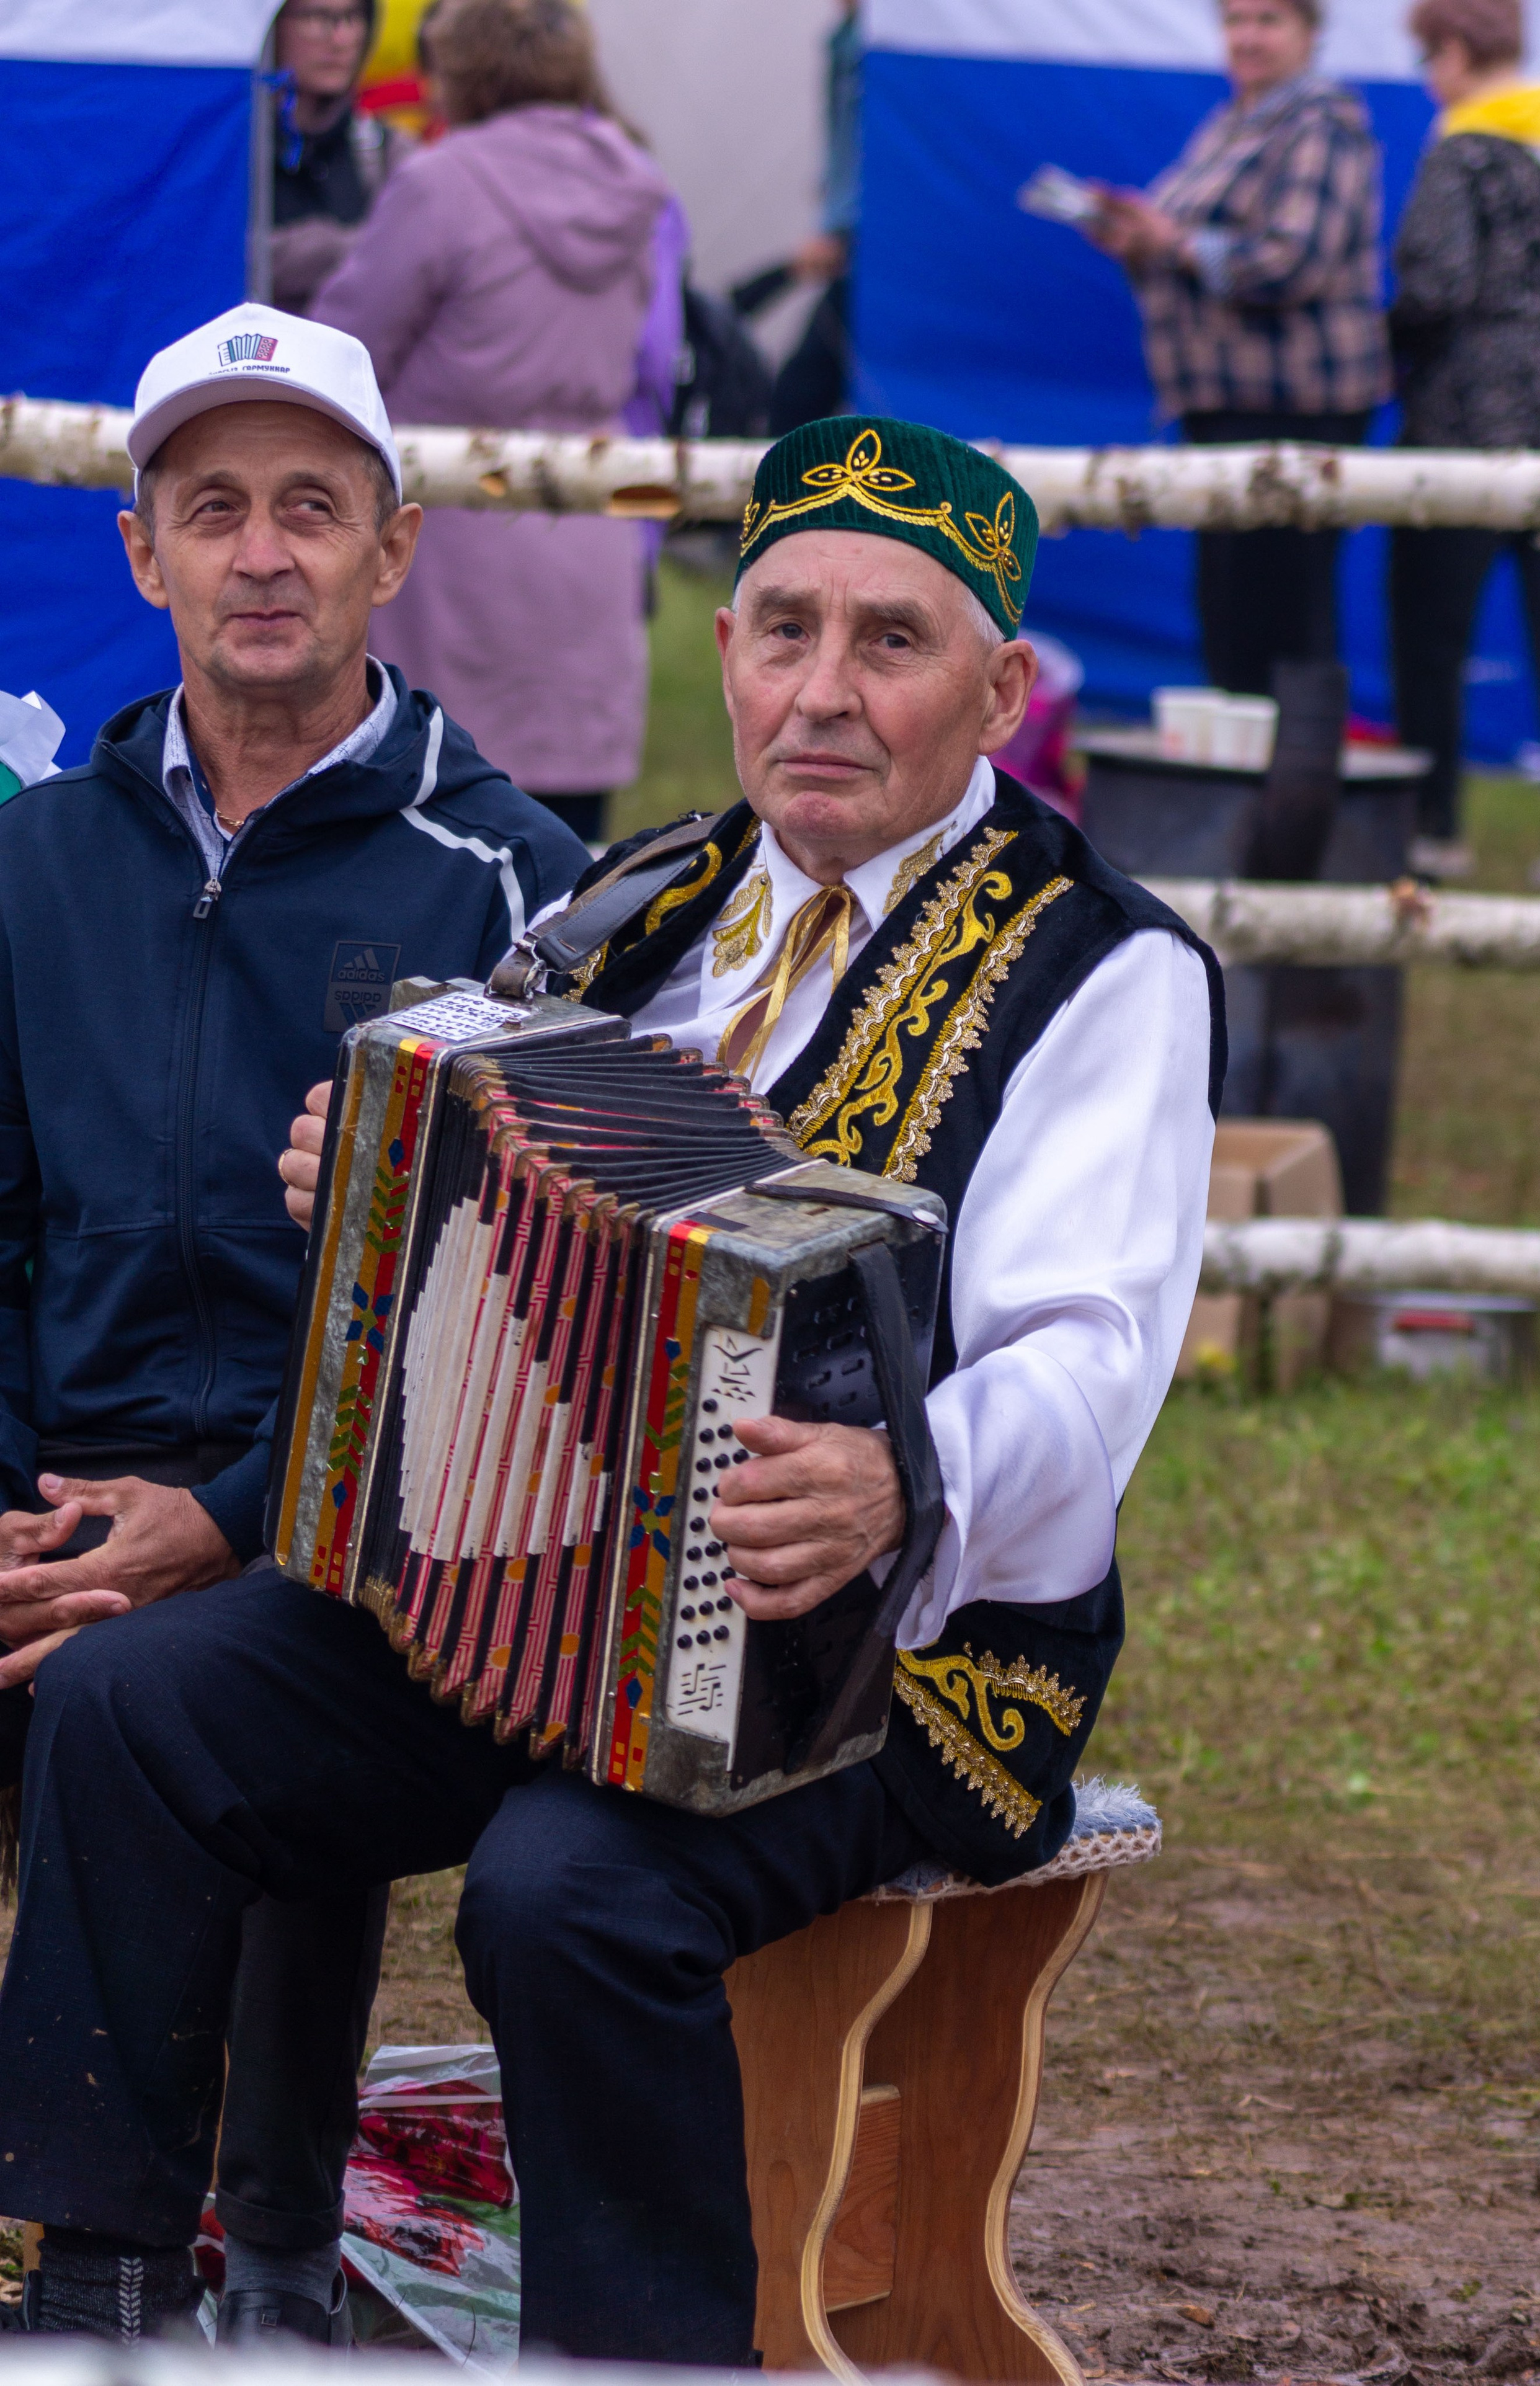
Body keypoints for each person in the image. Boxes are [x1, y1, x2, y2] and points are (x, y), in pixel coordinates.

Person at [1, 413, 1222, 2356]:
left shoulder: (1099, 969)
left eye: (889, 644)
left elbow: (1086, 1366)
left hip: (898, 1665)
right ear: (720, 645)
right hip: (547, 1598)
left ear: (996, 688)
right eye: (786, 631)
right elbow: (484, 1202)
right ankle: (110, 2294)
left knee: (566, 1889)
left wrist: (901, 1477)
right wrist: (369, 1181)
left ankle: (637, 2355)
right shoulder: (642, 907)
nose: (823, 692)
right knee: (139, 1703)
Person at [0, 299, 587, 2342]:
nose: (264, 551)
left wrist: (233, 1509)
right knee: (113, 1650)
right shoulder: (32, 859)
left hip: (370, 1539)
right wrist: (23, 1504)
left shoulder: (517, 889)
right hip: (56, 1492)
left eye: (311, 508)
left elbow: (523, 1330)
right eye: (216, 507)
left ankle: (186, 2265)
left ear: (392, 551)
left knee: (193, 1671)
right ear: (142, 550)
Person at [314, 0, 675, 849]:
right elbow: (655, 355)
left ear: (463, 70)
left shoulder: (440, 182)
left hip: (457, 542)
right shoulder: (636, 181)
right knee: (562, 873)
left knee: (428, 857)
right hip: (589, 530)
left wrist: (302, 260)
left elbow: (343, 350)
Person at [1084, 0, 1390, 697]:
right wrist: (1137, 239)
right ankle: (1250, 784)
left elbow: (1293, 261)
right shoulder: (1232, 120)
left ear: (1310, 33)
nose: (1247, 36)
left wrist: (1173, 243)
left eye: (1268, 20)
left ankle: (1303, 790)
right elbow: (1191, 250)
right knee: (1231, 614)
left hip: (1296, 408)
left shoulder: (1323, 120)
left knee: (1283, 618)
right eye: (1235, 20)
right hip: (1222, 402)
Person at [1389, 0, 1540, 889]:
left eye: (1430, 57)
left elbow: (1436, 284)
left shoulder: (1461, 148)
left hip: (1465, 430)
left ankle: (1433, 831)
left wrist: (1397, 351)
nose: (1429, 77)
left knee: (1433, 635)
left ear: (1459, 52)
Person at [271, 0, 415, 316]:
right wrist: (358, 248)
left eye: (353, 18)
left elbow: (419, 254)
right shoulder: (237, 155)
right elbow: (222, 257)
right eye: (315, 18)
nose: (340, 39)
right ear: (273, 27)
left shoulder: (387, 151)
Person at [769, 0, 863, 436]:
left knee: (798, 399)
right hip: (851, 237)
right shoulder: (847, 39)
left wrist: (840, 225)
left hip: (862, 243)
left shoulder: (872, 47)